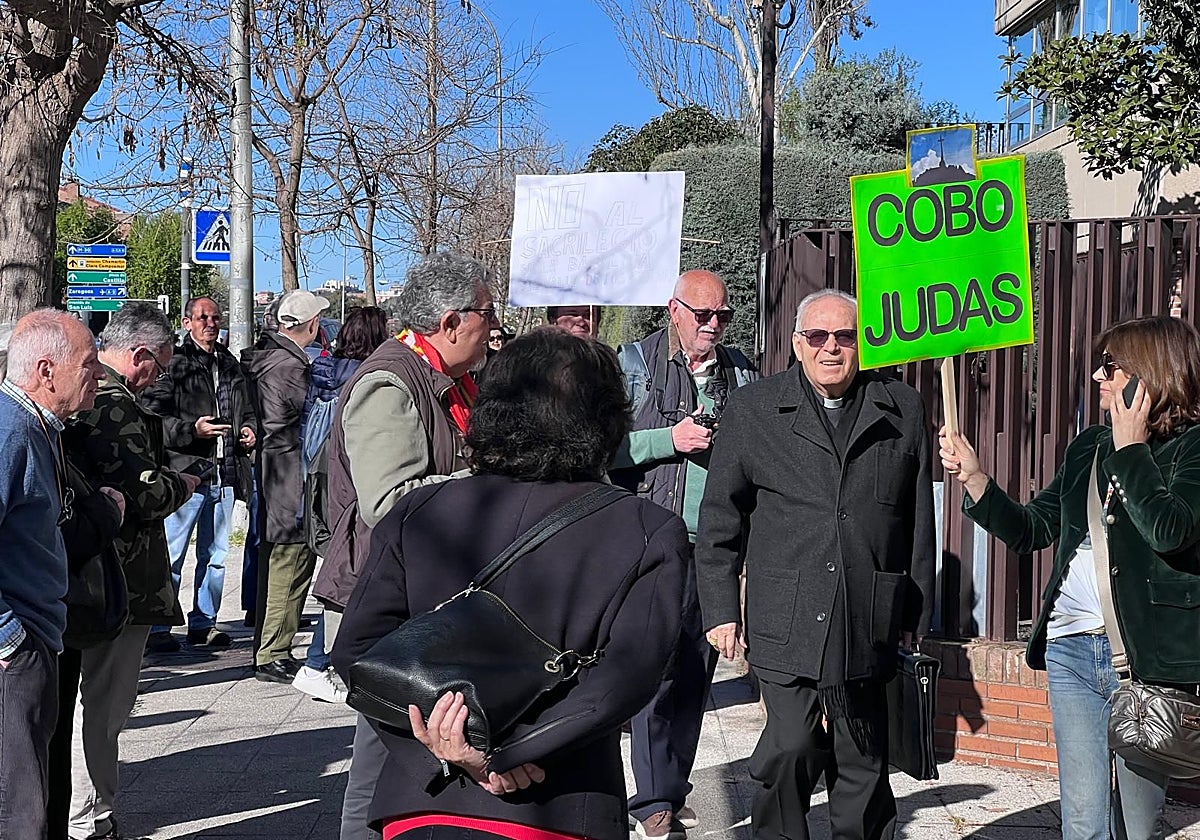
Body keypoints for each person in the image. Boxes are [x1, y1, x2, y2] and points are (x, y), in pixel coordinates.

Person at [332, 327, 689, 840]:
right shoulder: (646, 530)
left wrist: (445, 749)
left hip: (421, 803)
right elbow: (622, 683)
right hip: (560, 804)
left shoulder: (420, 512)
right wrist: (503, 756)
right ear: (608, 418)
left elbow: (357, 655)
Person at [940, 314, 1200, 840]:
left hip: (1145, 659)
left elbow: (1170, 530)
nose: (1099, 378)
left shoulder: (1191, 448)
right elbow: (1033, 528)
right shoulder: (1088, 446)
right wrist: (975, 479)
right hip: (1071, 649)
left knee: (1136, 826)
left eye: (1111, 367)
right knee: (1082, 819)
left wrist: (1132, 452)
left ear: (1151, 374)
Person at [696, 289, 935, 840]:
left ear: (862, 343)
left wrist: (913, 617)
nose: (832, 348)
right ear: (797, 344)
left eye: (845, 337)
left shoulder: (901, 408)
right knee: (791, 745)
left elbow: (918, 522)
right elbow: (719, 521)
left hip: (865, 615)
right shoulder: (755, 410)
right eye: (818, 337)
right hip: (787, 614)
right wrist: (721, 609)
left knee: (863, 762)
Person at [312, 252, 493, 840]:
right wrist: (492, 484)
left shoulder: (452, 377)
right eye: (487, 315)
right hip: (380, 603)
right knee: (379, 755)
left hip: (422, 597)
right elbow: (391, 500)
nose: (494, 328)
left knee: (406, 753)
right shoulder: (388, 380)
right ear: (450, 322)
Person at [609, 269, 757, 840]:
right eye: (703, 316)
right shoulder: (631, 367)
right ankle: (652, 800)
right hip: (651, 541)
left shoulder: (740, 372)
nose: (714, 327)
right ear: (674, 310)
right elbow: (603, 448)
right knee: (657, 670)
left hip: (715, 547)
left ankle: (671, 786)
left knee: (697, 672)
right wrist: (668, 441)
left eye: (723, 316)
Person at [58, 304, 200, 840]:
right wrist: (179, 486)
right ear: (138, 354)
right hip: (117, 578)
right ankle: (90, 815)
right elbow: (143, 491)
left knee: (86, 696)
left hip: (87, 573)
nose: (158, 377)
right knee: (104, 701)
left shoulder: (91, 399)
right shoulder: (113, 403)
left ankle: (81, 808)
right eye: (159, 366)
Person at [0, 309, 105, 840]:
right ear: (46, 371)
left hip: (32, 646)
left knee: (30, 806)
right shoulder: (9, 430)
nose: (99, 375)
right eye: (89, 364)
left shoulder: (33, 427)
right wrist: (9, 640)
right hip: (11, 661)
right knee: (16, 813)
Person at [141, 296, 257, 653]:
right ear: (187, 322)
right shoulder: (175, 363)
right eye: (202, 317)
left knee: (217, 554)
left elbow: (248, 408)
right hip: (186, 474)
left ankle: (204, 623)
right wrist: (193, 429)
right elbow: (153, 418)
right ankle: (159, 627)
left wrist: (250, 429)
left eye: (215, 317)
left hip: (224, 472)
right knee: (173, 553)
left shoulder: (229, 363)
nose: (210, 323)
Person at [291, 305, 390, 703]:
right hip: (353, 486)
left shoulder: (323, 370)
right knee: (349, 581)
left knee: (343, 576)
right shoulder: (372, 378)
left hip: (322, 476)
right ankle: (317, 662)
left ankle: (321, 662)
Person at [242, 289, 329, 683]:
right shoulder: (290, 366)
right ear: (310, 325)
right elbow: (293, 420)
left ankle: (273, 647)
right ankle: (273, 651)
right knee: (289, 562)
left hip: (278, 471)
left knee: (285, 561)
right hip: (289, 472)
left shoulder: (270, 358)